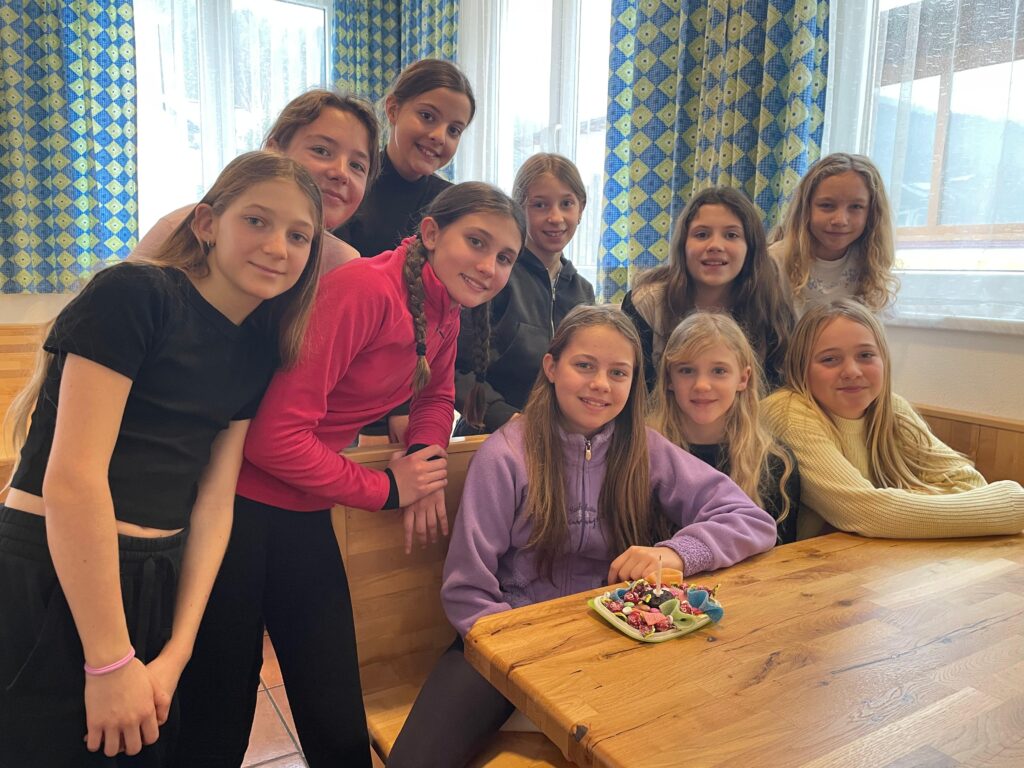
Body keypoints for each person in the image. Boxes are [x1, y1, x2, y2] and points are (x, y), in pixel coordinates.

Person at [174, 182, 526, 768]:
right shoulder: (368, 289)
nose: (490, 266)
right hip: (236, 512)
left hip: (302, 510)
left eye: (506, 257)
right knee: (220, 711)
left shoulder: (443, 307)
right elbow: (272, 439)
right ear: (431, 233)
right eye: (477, 242)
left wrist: (425, 463)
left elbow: (436, 398)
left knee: (335, 708)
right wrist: (388, 490)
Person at [0, 151, 323, 767]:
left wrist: (176, 652)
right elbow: (74, 480)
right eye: (256, 221)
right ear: (207, 223)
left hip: (158, 575)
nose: (277, 247)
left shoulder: (258, 349)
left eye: (298, 235)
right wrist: (109, 659)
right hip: (56, 566)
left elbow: (214, 503)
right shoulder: (136, 294)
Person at [388, 305, 777, 768]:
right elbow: (467, 589)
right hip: (506, 638)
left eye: (618, 372)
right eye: (584, 365)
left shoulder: (645, 448)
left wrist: (675, 553)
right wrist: (524, 661)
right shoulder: (505, 455)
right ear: (551, 367)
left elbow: (751, 519)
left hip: (615, 635)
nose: (600, 384)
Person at [763, 299, 1024, 540]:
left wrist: (899, 510)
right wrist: (1012, 504)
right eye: (830, 359)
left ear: (884, 360)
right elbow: (868, 513)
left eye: (865, 355)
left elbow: (969, 482)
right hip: (806, 569)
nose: (852, 371)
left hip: (879, 560)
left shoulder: (892, 408)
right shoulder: (786, 411)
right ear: (801, 367)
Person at [336, 58, 476, 444]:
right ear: (394, 109)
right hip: (343, 391)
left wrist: (408, 403)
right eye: (427, 116)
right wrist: (394, 407)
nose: (438, 136)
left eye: (454, 130)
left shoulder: (451, 206)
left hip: (412, 394)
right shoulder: (351, 187)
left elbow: (443, 317)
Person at [135, 89, 379, 271]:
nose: (340, 172)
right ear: (274, 151)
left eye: (357, 166)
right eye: (321, 151)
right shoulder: (181, 229)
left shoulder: (344, 264)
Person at [453, 152, 595, 435]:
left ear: (581, 209)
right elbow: (455, 368)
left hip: (559, 439)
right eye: (540, 205)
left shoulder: (583, 292)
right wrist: (506, 417)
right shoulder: (494, 278)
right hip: (488, 435)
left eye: (566, 204)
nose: (555, 217)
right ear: (519, 209)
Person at [621, 186, 794, 391]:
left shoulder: (771, 308)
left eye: (731, 235)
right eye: (702, 234)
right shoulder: (646, 304)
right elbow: (632, 390)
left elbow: (775, 391)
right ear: (683, 244)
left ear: (751, 247)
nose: (715, 246)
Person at [648, 312, 800, 543]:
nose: (702, 385)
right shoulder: (642, 451)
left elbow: (784, 556)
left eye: (719, 371)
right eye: (686, 370)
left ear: (743, 378)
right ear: (669, 379)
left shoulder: (775, 462)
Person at [769, 153, 899, 315]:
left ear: (872, 213)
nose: (840, 220)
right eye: (827, 205)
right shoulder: (775, 262)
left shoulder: (872, 263)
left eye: (856, 207)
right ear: (806, 209)